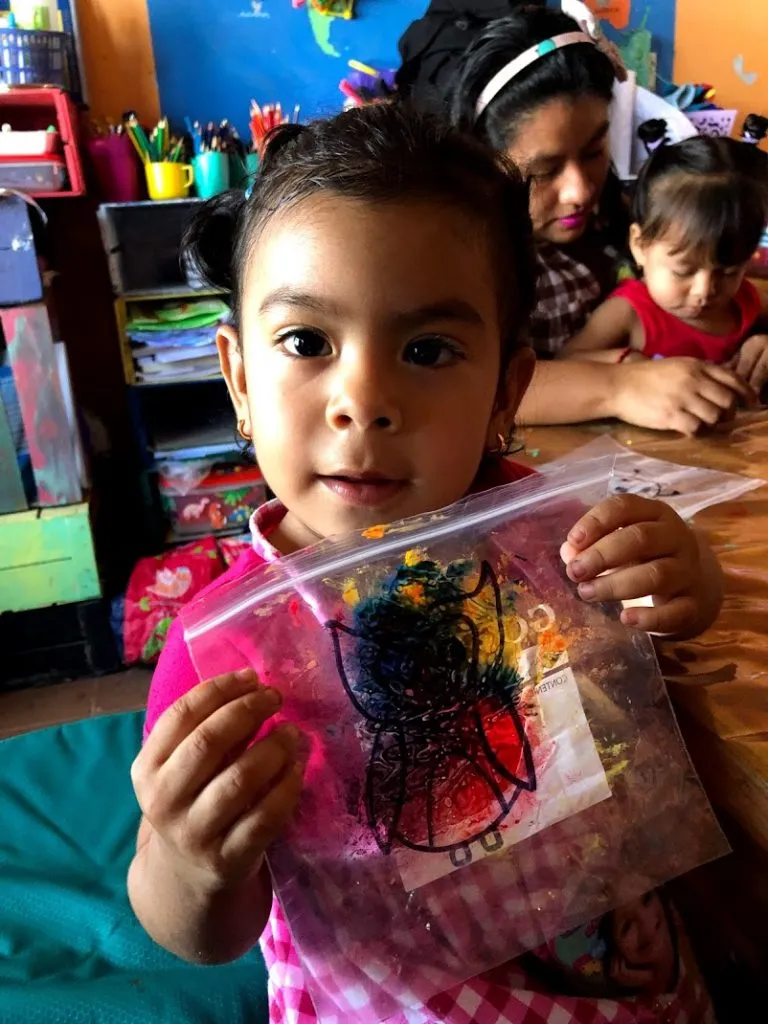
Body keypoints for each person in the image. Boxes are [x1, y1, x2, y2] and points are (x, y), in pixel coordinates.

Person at [128, 103, 721, 1023]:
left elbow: (650, 649)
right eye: (307, 342)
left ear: (506, 391)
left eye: (428, 349)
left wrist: (685, 582)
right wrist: (188, 862)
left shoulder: (552, 542)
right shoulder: (226, 651)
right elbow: (203, 935)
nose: (364, 399)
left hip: (620, 971)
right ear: (240, 378)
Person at [451, 6, 755, 435]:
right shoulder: (465, 263)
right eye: (544, 170)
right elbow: (470, 390)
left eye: (594, 151)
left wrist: (755, 343)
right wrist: (620, 385)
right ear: (488, 164)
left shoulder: (623, 221)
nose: (580, 191)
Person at [560, 137, 768, 392]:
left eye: (728, 272)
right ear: (639, 245)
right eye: (683, 272)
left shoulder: (745, 300)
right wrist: (626, 364)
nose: (704, 290)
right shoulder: (629, 312)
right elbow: (565, 362)